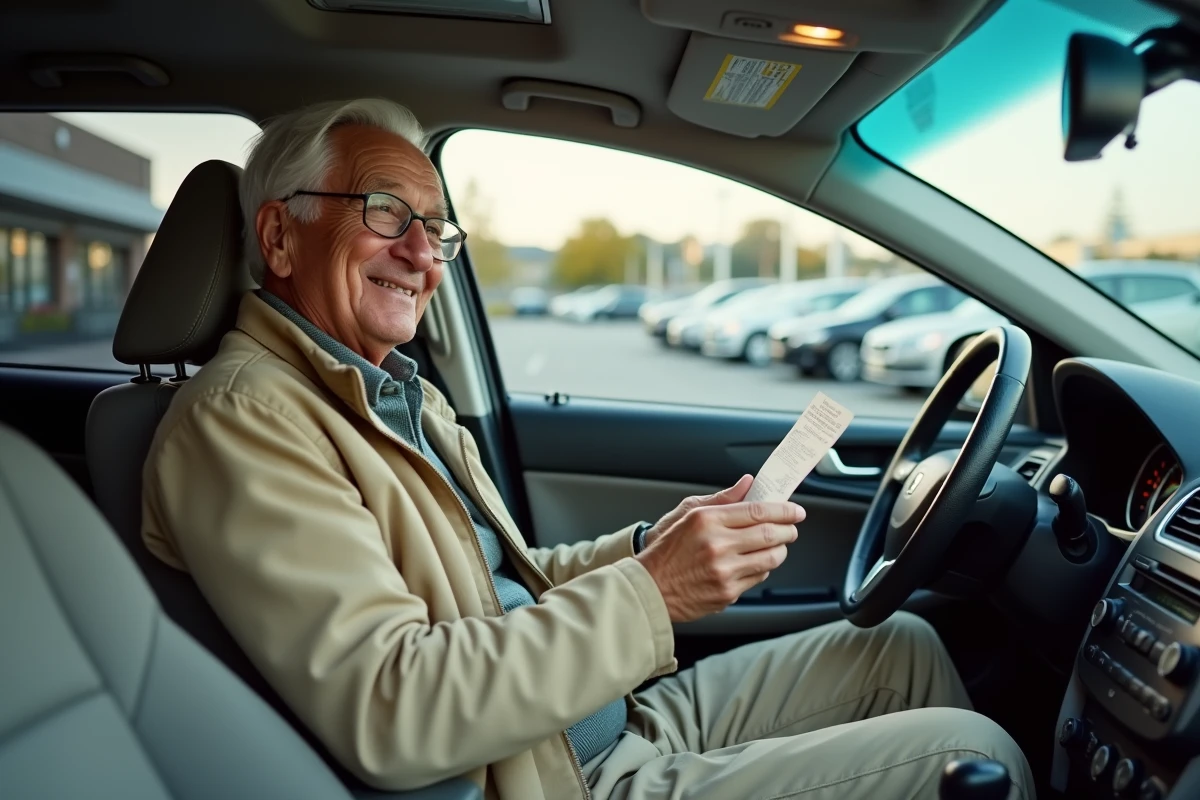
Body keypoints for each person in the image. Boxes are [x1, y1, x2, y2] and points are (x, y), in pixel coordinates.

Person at [141, 98, 1034, 800]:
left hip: (598, 724)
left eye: (438, 226)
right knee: (974, 752)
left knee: (901, 644)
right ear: (279, 236)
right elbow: (393, 707)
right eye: (385, 212)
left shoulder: (389, 394)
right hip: (548, 779)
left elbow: (504, 588)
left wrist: (651, 549)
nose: (422, 252)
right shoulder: (244, 419)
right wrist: (657, 589)